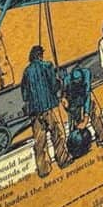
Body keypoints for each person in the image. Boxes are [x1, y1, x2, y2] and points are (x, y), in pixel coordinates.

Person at [20, 45, 72, 178]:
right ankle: (63, 160)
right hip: (48, 108)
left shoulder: (26, 72)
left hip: (35, 112)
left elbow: (25, 94)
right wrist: (59, 83)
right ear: (40, 55)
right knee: (57, 134)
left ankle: (43, 170)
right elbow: (54, 86)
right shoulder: (47, 66)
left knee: (40, 142)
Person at [61, 66, 103, 149]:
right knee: (74, 119)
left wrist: (86, 116)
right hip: (73, 100)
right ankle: (75, 144)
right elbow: (64, 94)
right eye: (75, 82)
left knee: (94, 111)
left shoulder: (86, 73)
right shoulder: (67, 80)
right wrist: (64, 99)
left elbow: (87, 95)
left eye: (79, 81)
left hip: (84, 96)